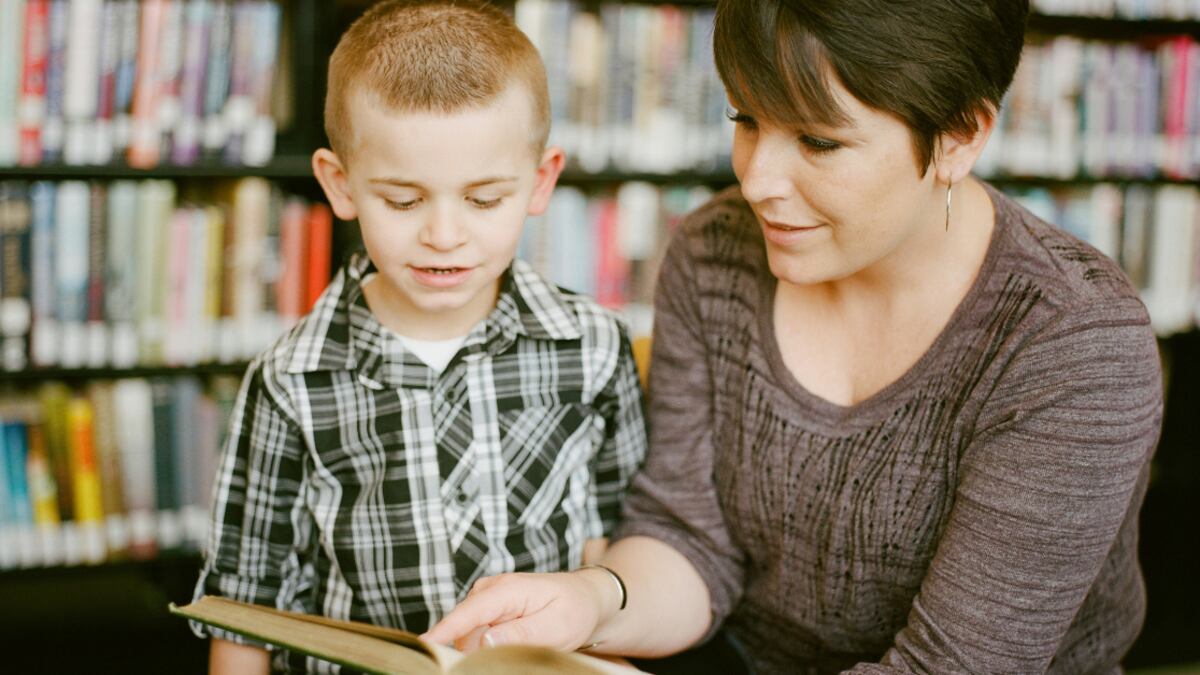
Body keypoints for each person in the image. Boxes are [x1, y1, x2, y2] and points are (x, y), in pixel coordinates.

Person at [424, 0, 1164, 672]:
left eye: (817, 140)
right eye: (745, 120)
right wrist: (593, 600)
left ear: (959, 137)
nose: (756, 180)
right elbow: (691, 540)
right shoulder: (715, 252)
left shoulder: (1071, 342)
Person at [192, 2, 647, 672]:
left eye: (484, 199)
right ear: (339, 184)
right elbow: (243, 600)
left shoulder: (594, 346)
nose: (443, 234)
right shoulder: (291, 379)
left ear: (541, 180)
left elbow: (618, 540)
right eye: (403, 201)